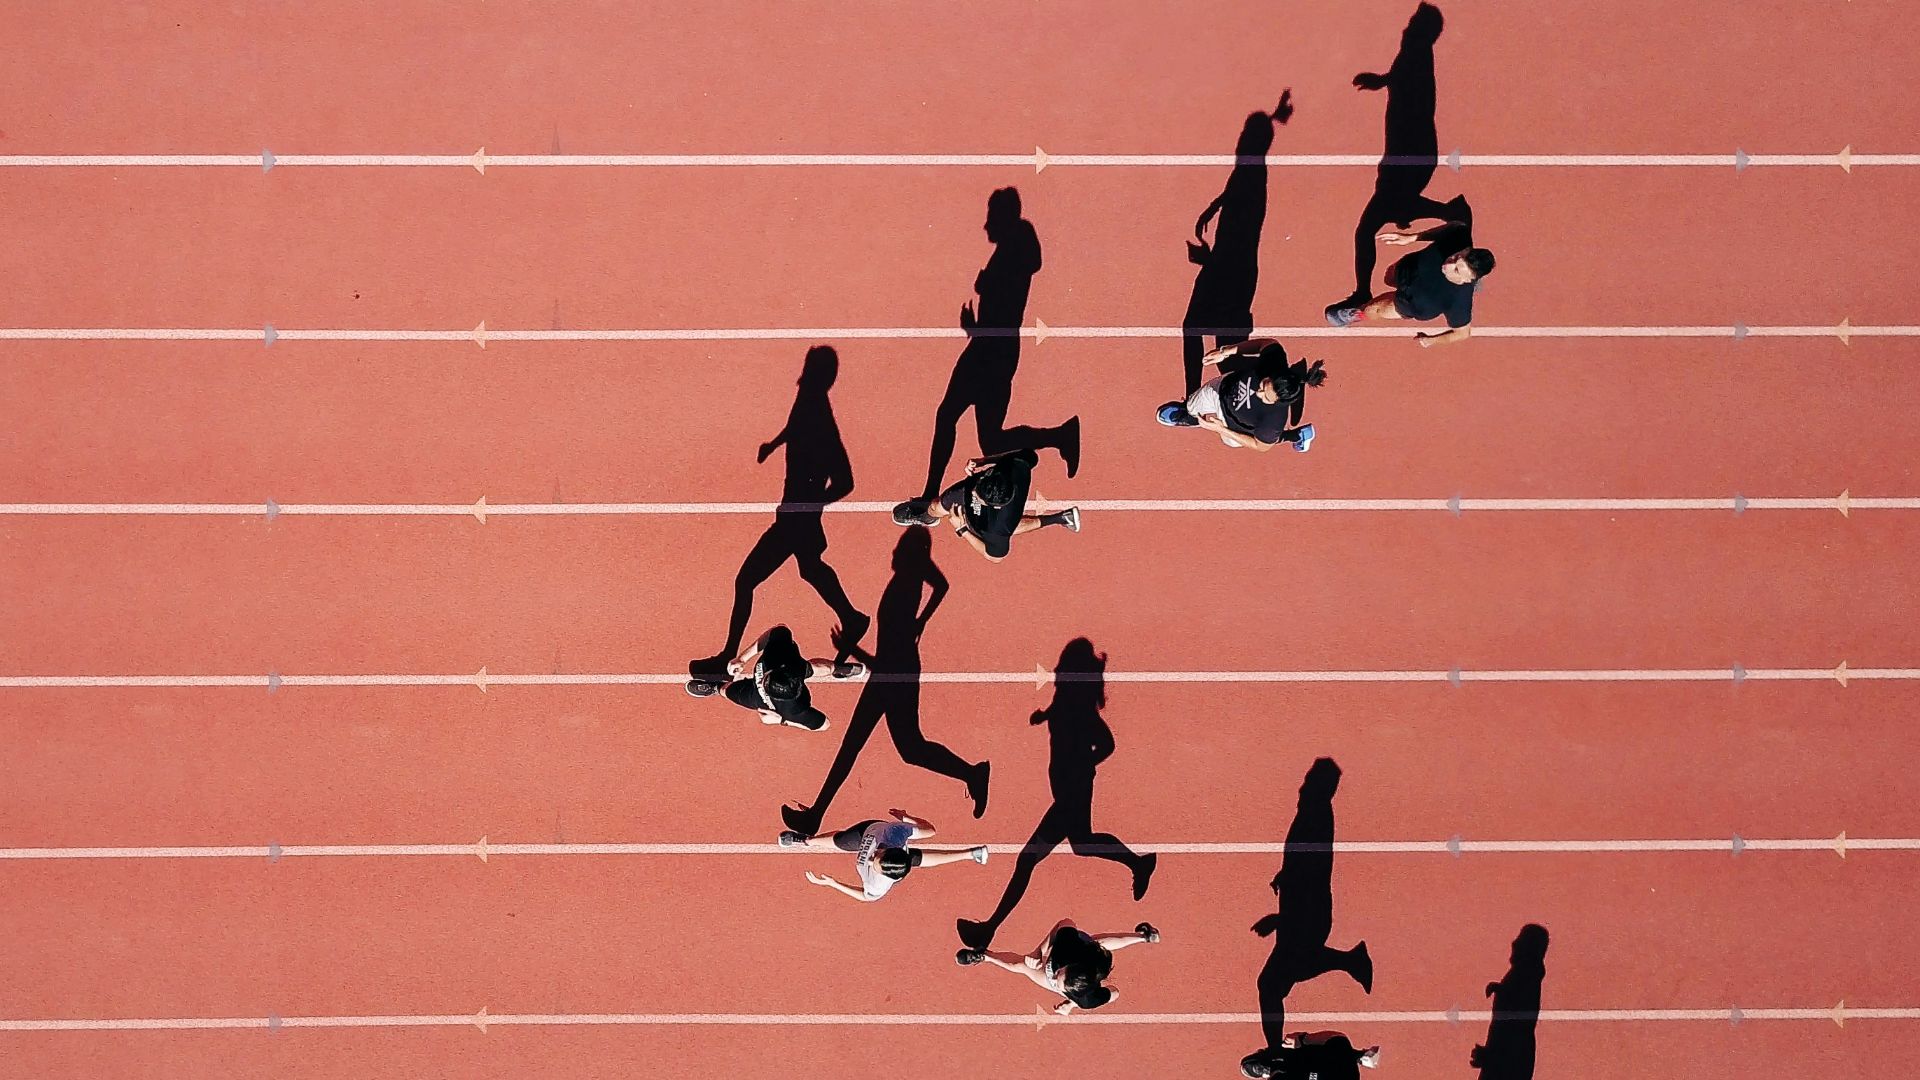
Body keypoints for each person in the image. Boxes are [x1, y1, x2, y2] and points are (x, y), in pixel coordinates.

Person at [781, 530, 990, 841]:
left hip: (896, 673)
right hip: (894, 672)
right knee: (891, 747)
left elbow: (938, 592)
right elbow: (941, 586)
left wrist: (856, 650)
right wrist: (920, 622)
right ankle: (815, 814)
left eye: (899, 548)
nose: (893, 553)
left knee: (897, 747)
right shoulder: (911, 577)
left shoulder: (907, 583)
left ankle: (973, 773)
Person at [899, 187, 1079, 521]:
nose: (986, 226)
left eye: (991, 217)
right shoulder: (1016, 251)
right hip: (997, 347)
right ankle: (1058, 436)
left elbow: (1003, 299)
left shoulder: (1012, 252)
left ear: (1004, 217)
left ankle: (930, 499)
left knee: (951, 416)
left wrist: (976, 320)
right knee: (986, 436)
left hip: (990, 349)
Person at [690, 346, 870, 674]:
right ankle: (852, 617)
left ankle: (727, 659)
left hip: (795, 520)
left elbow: (846, 482)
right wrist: (774, 444)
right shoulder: (808, 402)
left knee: (746, 580)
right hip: (794, 516)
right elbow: (795, 427)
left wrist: (810, 506)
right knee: (811, 568)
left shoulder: (821, 417)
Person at [1174, 91, 1294, 403]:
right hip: (1229, 268)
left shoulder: (1253, 176)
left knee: (1214, 342)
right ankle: (1193, 396)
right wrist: (1213, 208)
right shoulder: (1249, 170)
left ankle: (1196, 397)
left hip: (1231, 271)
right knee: (1218, 344)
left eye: (1245, 135)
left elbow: (1240, 228)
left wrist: (1211, 259)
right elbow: (1234, 190)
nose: (1240, 140)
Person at [1324, 215, 1493, 347]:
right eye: (1456, 257)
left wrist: (1431, 341)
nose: (1448, 264)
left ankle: (1354, 315)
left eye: (1456, 270)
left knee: (1373, 309)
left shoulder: (1459, 301)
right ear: (1466, 249)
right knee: (1388, 277)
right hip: (1409, 268)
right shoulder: (1459, 237)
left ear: (1468, 279)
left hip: (1414, 303)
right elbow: (1455, 227)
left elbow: (1462, 334)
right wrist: (1412, 237)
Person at [893, 448, 1078, 562]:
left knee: (1003, 531)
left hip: (982, 524)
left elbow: (994, 556)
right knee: (936, 505)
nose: (973, 491)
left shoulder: (997, 527)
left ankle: (1058, 519)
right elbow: (1028, 454)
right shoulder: (1016, 466)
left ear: (993, 505)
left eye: (977, 494)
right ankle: (928, 517)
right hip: (1000, 512)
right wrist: (984, 461)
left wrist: (962, 529)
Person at [955, 918, 1160, 1015]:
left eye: (1059, 982)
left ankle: (985, 957)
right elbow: (1065, 922)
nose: (1054, 978)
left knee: (1022, 967)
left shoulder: (1087, 1000)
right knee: (1097, 942)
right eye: (1060, 974)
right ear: (1069, 966)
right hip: (1078, 949)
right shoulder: (1068, 948)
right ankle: (1144, 936)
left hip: (1083, 976)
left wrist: (1073, 1005)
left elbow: (1115, 993)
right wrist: (1040, 952)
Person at [780, 809, 988, 902]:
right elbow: (930, 830)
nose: (871, 857)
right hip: (869, 830)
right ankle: (807, 840)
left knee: (918, 859)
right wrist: (909, 818)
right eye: (878, 855)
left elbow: (864, 896)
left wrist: (832, 884)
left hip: (891, 857)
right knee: (841, 840)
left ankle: (971, 854)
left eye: (875, 862)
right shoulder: (895, 832)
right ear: (893, 848)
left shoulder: (878, 885)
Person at [1157, 339, 1323, 453]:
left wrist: (1222, 429)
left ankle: (1293, 436)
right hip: (1221, 389)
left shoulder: (1274, 419)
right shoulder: (1274, 362)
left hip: (1233, 426)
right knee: (1192, 406)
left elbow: (1261, 446)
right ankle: (1191, 417)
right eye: (1263, 384)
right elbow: (1266, 344)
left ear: (1279, 402)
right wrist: (1226, 351)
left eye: (1265, 397)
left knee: (1232, 441)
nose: (1257, 392)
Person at [685, 624, 860, 731]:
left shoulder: (794, 711)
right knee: (815, 668)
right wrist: (742, 658)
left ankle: (716, 688)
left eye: (763, 681)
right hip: (789, 676)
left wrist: (781, 721)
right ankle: (838, 669)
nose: (759, 679)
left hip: (756, 699)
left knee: (726, 690)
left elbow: (823, 725)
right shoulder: (778, 657)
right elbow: (776, 631)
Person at [1240, 1032, 1381, 1079]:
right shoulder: (1340, 1052)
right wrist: (1303, 1040)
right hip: (1328, 1062)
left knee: (1289, 1070)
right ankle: (1359, 1056)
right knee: (1338, 1043)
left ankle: (1273, 1068)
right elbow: (1337, 1038)